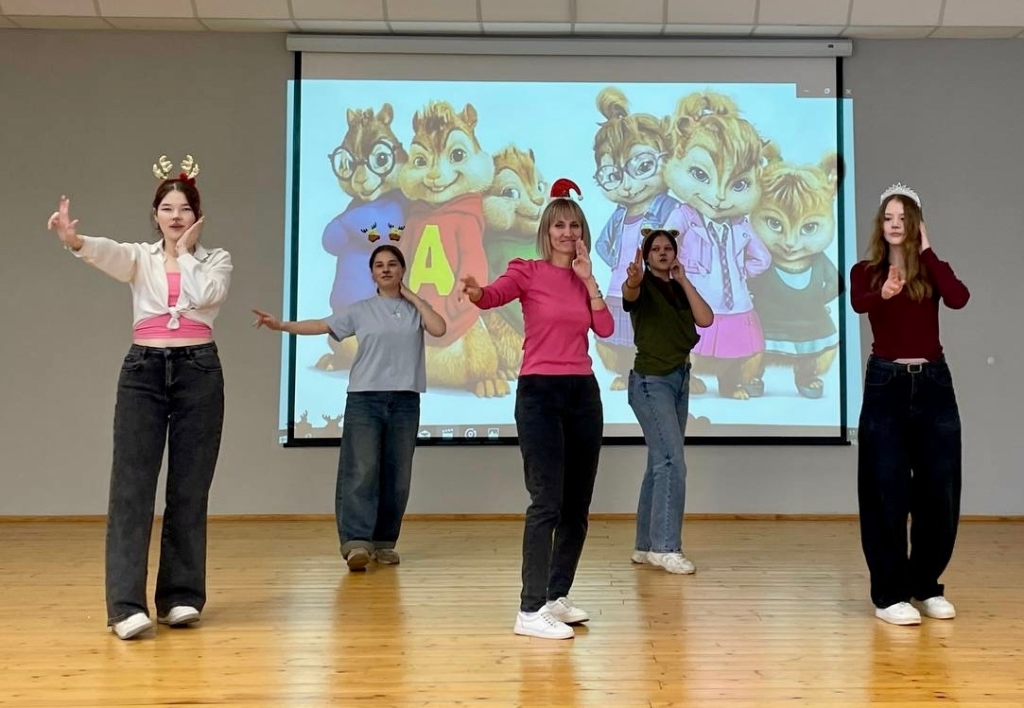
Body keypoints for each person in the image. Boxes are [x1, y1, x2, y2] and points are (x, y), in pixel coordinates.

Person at [46, 155, 233, 640]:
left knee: (189, 488)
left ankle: (180, 598)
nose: (176, 216)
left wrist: (185, 253)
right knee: (131, 488)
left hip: (199, 370)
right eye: (167, 208)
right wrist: (75, 241)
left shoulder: (215, 260)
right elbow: (107, 252)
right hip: (143, 371)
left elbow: (206, 296)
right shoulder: (140, 257)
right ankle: (126, 606)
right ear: (155, 215)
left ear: (197, 216)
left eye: (185, 208)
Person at [461, 178, 614, 640]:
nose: (567, 233)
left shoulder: (585, 279)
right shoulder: (526, 270)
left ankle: (555, 596)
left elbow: (605, 328)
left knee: (576, 505)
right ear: (546, 231)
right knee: (546, 501)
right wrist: (475, 292)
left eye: (574, 226)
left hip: (583, 394)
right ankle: (529, 610)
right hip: (540, 394)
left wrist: (589, 280)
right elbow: (493, 295)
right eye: (559, 226)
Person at [253, 243, 446, 571]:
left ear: (402, 269)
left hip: (405, 401)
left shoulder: (416, 309)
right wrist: (282, 325)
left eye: (392, 264)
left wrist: (412, 296)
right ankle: (357, 542)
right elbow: (321, 325)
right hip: (365, 400)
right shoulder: (361, 309)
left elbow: (439, 328)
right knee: (361, 470)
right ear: (371, 273)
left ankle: (384, 543)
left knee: (397, 475)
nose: (386, 269)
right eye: (379, 265)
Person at [850, 183, 970, 626]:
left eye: (903, 218)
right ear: (880, 224)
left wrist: (929, 253)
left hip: (934, 383)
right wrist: (883, 293)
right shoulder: (866, 271)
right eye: (888, 218)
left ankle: (926, 585)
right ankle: (889, 594)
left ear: (916, 224)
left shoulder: (932, 271)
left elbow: (959, 298)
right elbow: (858, 302)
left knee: (940, 489)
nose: (895, 225)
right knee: (885, 489)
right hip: (887, 384)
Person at [621, 228, 714, 575]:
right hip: (651, 381)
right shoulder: (642, 285)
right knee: (672, 462)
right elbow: (630, 293)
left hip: (679, 378)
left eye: (668, 248)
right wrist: (634, 278)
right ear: (646, 256)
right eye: (655, 249)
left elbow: (705, 318)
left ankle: (646, 545)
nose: (662, 253)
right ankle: (666, 547)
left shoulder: (678, 287)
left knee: (659, 462)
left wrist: (683, 280)